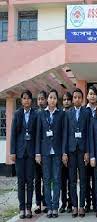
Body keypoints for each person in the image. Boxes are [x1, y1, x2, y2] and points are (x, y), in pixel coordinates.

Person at [36, 89, 64, 218]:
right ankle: (49, 206)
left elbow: (64, 135)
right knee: (47, 179)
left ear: (56, 100)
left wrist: (64, 152)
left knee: (57, 179)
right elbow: (38, 135)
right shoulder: (41, 114)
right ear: (47, 99)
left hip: (57, 151)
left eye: (54, 98)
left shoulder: (61, 114)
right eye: (50, 97)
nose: (52, 100)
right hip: (45, 152)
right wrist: (37, 153)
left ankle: (55, 207)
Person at [10, 90, 37, 219]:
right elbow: (13, 135)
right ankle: (21, 208)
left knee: (30, 181)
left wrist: (37, 152)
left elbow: (37, 135)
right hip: (19, 153)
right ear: (21, 101)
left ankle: (28, 208)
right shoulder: (17, 114)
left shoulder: (35, 114)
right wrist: (12, 152)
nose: (26, 100)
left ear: (31, 100)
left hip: (31, 153)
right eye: (24, 98)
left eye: (28, 98)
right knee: (21, 182)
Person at [62, 88, 89, 218]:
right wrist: (64, 153)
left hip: (83, 151)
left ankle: (82, 206)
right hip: (71, 151)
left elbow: (89, 134)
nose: (77, 99)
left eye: (79, 97)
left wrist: (88, 151)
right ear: (72, 99)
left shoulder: (87, 112)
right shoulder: (68, 113)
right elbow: (65, 134)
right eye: (75, 97)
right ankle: (74, 206)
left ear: (82, 99)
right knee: (72, 180)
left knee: (83, 179)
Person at [85, 85, 97, 212]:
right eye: (90, 94)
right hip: (86, 150)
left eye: (94, 94)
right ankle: (88, 202)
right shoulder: (84, 111)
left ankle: (95, 202)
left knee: (96, 179)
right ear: (87, 96)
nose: (92, 96)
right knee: (86, 178)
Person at [34, 91, 48, 214]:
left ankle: (45, 202)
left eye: (42, 99)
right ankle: (38, 203)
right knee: (37, 179)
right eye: (38, 99)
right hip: (35, 151)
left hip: (46, 151)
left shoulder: (48, 113)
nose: (40, 101)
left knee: (46, 178)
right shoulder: (35, 114)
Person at [60, 92, 73, 214]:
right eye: (64, 99)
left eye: (69, 99)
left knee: (71, 179)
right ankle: (63, 203)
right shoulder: (59, 114)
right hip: (59, 151)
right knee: (61, 180)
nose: (67, 101)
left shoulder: (73, 114)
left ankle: (70, 203)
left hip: (71, 152)